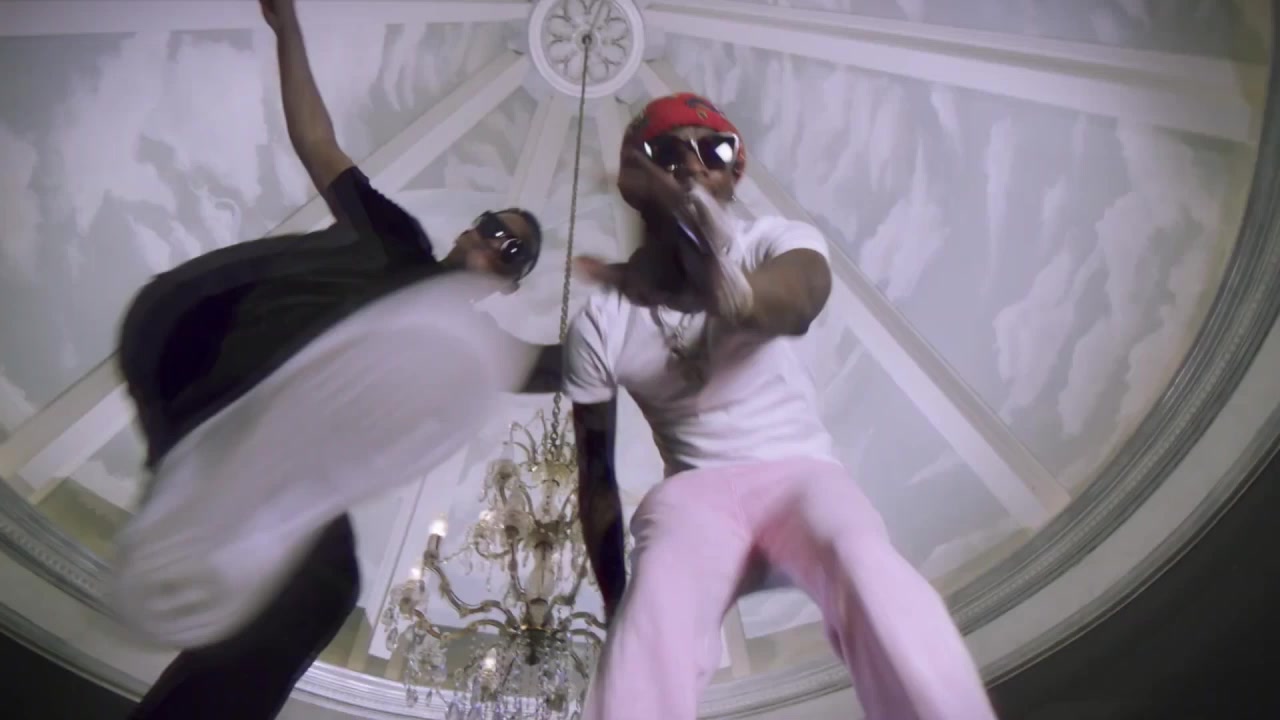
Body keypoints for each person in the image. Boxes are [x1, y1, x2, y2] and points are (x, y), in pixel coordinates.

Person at [115, 1, 560, 717]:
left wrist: (663, 318)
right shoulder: (394, 240)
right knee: (319, 582)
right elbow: (318, 143)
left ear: (509, 285)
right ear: (464, 232)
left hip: (281, 463)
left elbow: (566, 364)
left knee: (322, 590)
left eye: (511, 253)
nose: (491, 244)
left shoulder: (475, 353)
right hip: (225, 377)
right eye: (489, 228)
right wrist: (287, 28)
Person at [566, 93, 997, 720]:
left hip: (800, 475)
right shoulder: (600, 319)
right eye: (667, 151)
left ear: (735, 171)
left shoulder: (775, 240)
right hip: (694, 494)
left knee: (868, 569)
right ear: (637, 177)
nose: (693, 163)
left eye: (713, 150)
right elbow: (596, 479)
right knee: (649, 627)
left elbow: (795, 302)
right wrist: (615, 607)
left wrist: (722, 281)